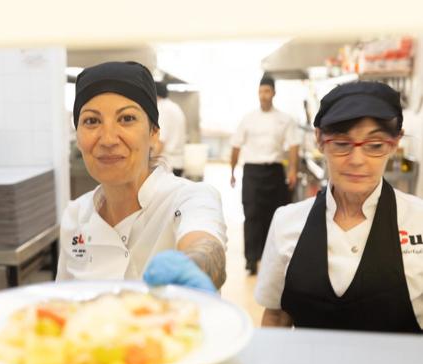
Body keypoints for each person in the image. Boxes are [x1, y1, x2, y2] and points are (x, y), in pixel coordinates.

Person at [255, 81, 423, 333]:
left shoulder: (418, 219)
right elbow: (277, 318)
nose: (357, 160)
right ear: (320, 140)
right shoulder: (286, 222)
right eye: (342, 144)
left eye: (375, 145)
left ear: (394, 143)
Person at [56, 61, 227, 291]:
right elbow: (63, 305)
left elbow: (207, 246)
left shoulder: (190, 198)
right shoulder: (75, 216)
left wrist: (193, 266)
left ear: (154, 134)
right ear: (78, 136)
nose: (108, 139)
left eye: (126, 119)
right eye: (91, 121)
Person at [230, 75, 300, 275]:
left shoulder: (284, 119)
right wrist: (232, 171)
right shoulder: (248, 119)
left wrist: (293, 170)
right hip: (251, 171)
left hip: (274, 171)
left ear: (274, 93)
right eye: (261, 91)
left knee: (274, 216)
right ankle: (251, 259)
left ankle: (271, 259)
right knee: (251, 214)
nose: (263, 95)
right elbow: (236, 146)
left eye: (267, 91)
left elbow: (293, 145)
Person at [154, 81, 187, 177]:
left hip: (168, 166)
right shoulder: (174, 107)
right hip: (178, 163)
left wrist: (147, 165)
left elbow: (160, 140)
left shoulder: (161, 108)